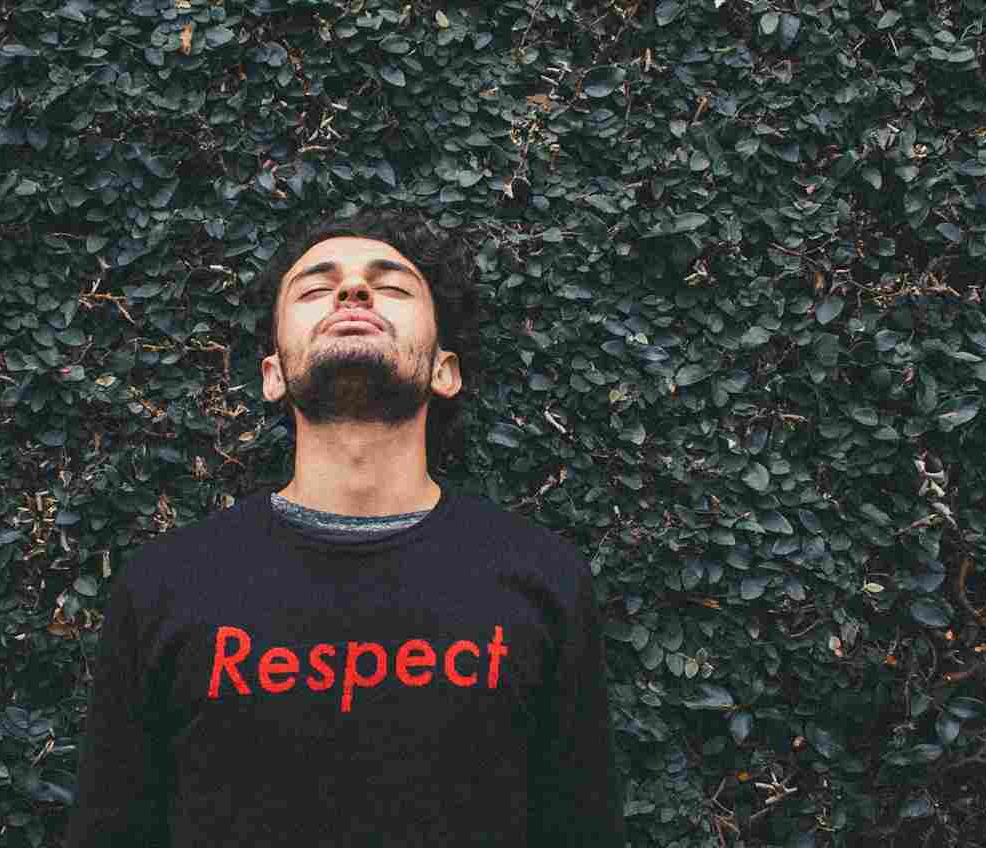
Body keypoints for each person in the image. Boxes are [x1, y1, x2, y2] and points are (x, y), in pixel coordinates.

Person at [63, 208, 625, 847]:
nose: (353, 292)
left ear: (446, 370)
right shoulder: (165, 584)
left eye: (391, 286)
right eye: (314, 287)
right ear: (273, 374)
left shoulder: (542, 578)